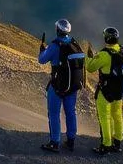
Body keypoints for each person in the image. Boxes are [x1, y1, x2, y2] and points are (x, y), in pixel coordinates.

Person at [38, 18, 84, 153]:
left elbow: (42, 60)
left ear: (57, 30)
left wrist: (42, 50)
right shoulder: (75, 44)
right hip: (72, 86)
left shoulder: (54, 45)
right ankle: (71, 141)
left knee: (53, 113)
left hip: (57, 85)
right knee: (70, 112)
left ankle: (54, 142)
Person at [86, 27, 123, 155]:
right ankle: (117, 142)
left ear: (106, 38)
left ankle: (106, 145)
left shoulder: (104, 54)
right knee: (117, 116)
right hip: (119, 92)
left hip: (106, 91)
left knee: (105, 117)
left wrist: (88, 57)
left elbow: (90, 67)